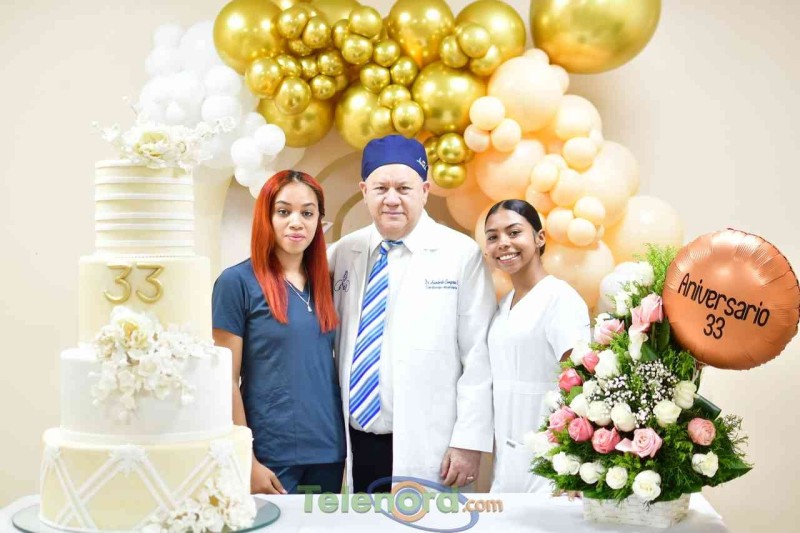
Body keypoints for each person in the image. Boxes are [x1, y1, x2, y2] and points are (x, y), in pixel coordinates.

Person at [328, 134, 495, 493]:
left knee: (428, 521)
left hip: (431, 443)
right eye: (380, 188)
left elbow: (479, 354)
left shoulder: (460, 253)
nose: (392, 199)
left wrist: (469, 441)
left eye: (404, 188)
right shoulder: (344, 251)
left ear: (425, 190)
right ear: (364, 191)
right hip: (357, 440)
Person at [212, 170, 345, 495]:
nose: (296, 223)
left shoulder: (327, 284)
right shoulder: (236, 283)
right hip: (270, 454)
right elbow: (224, 379)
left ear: (319, 221)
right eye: (284, 212)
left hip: (329, 451)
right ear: (266, 218)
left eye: (307, 213)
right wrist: (246, 458)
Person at [483, 199, 590, 493]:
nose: (503, 243)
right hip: (507, 458)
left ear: (539, 238)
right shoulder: (504, 305)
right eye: (492, 237)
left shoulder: (560, 299)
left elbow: (582, 385)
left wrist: (575, 464)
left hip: (551, 461)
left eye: (514, 232)